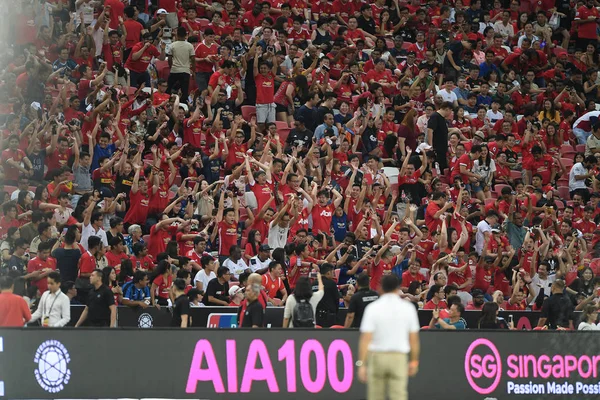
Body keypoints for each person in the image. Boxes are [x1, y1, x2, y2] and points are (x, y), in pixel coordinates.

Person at [356, 274, 420, 400]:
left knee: (375, 396)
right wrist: (414, 361)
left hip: (377, 357)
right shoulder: (408, 308)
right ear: (398, 288)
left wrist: (362, 364)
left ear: (380, 288)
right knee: (399, 396)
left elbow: (365, 339)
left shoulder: (372, 308)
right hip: (398, 358)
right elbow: (413, 339)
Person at [316, 263, 340, 327]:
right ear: (328, 273)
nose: (333, 275)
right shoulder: (331, 283)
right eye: (333, 272)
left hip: (316, 316)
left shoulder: (313, 283)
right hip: (329, 317)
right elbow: (336, 299)